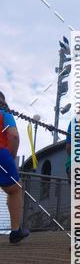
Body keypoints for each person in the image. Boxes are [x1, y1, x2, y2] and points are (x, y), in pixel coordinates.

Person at [0, 91, 29, 244]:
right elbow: (14, 136)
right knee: (14, 189)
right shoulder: (4, 113)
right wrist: (10, 156)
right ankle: (16, 231)